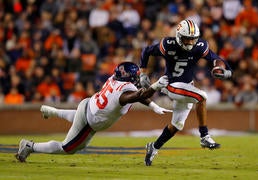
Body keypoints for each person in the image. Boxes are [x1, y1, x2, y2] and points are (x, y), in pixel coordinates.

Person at [15, 61, 172, 162]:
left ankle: (53, 111)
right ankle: (29, 146)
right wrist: (155, 87)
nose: (138, 79)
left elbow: (136, 95)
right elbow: (137, 95)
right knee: (68, 148)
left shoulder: (115, 79)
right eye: (136, 76)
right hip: (90, 119)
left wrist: (153, 106)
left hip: (89, 106)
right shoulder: (123, 94)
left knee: (78, 137)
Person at [139, 19, 232, 166]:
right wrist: (143, 73)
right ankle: (204, 135)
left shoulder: (200, 46)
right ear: (178, 35)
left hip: (186, 87)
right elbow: (147, 51)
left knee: (176, 125)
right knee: (202, 97)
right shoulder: (168, 44)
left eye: (192, 39)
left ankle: (153, 147)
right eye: (186, 38)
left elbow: (216, 59)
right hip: (171, 84)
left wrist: (224, 71)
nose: (189, 42)